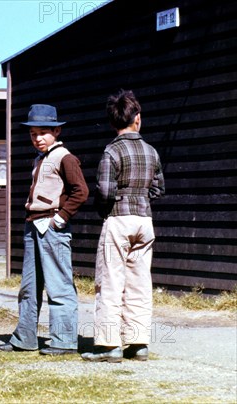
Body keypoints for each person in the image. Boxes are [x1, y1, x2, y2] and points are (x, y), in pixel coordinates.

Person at [0, 104, 88, 355]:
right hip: (33, 226)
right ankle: (24, 338)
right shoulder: (40, 159)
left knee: (59, 285)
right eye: (33, 133)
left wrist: (60, 218)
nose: (38, 138)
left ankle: (64, 340)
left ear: (57, 131)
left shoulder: (65, 157)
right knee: (28, 287)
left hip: (52, 228)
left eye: (43, 132)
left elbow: (81, 191)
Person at [82, 90, 165, 363]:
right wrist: (139, 198)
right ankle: (138, 344)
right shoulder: (151, 151)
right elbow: (158, 188)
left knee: (110, 282)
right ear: (137, 119)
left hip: (118, 219)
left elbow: (105, 191)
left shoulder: (112, 151)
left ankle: (109, 345)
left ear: (111, 122)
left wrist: (109, 207)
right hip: (144, 220)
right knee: (140, 283)